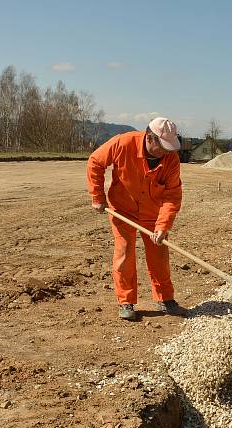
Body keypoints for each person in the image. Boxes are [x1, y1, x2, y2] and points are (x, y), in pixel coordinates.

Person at [86, 117, 186, 321]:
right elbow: (95, 161)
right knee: (124, 253)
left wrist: (163, 226)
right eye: (164, 148)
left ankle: (166, 299)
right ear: (150, 138)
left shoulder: (171, 159)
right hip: (123, 210)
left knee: (159, 255)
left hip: (153, 213)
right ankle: (126, 302)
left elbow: (172, 195)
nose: (167, 152)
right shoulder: (123, 143)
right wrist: (97, 196)